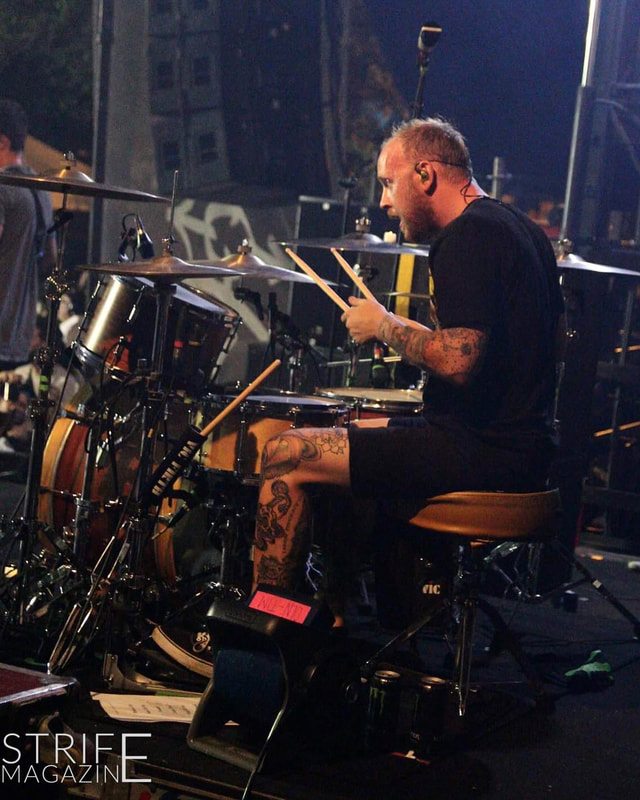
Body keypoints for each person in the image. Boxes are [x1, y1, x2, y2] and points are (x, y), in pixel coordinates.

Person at [252, 117, 565, 600]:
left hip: (482, 450)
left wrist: (384, 328)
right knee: (348, 430)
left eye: (387, 182)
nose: (383, 201)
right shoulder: (520, 228)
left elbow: (459, 361)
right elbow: (510, 345)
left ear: (425, 174)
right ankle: (337, 615)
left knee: (286, 452)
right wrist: (393, 325)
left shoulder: (465, 237)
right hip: (523, 448)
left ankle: (268, 620)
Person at [0, 98, 56, 371]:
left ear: (2, 142)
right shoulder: (40, 190)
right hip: (19, 334)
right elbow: (50, 258)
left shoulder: (2, 188)